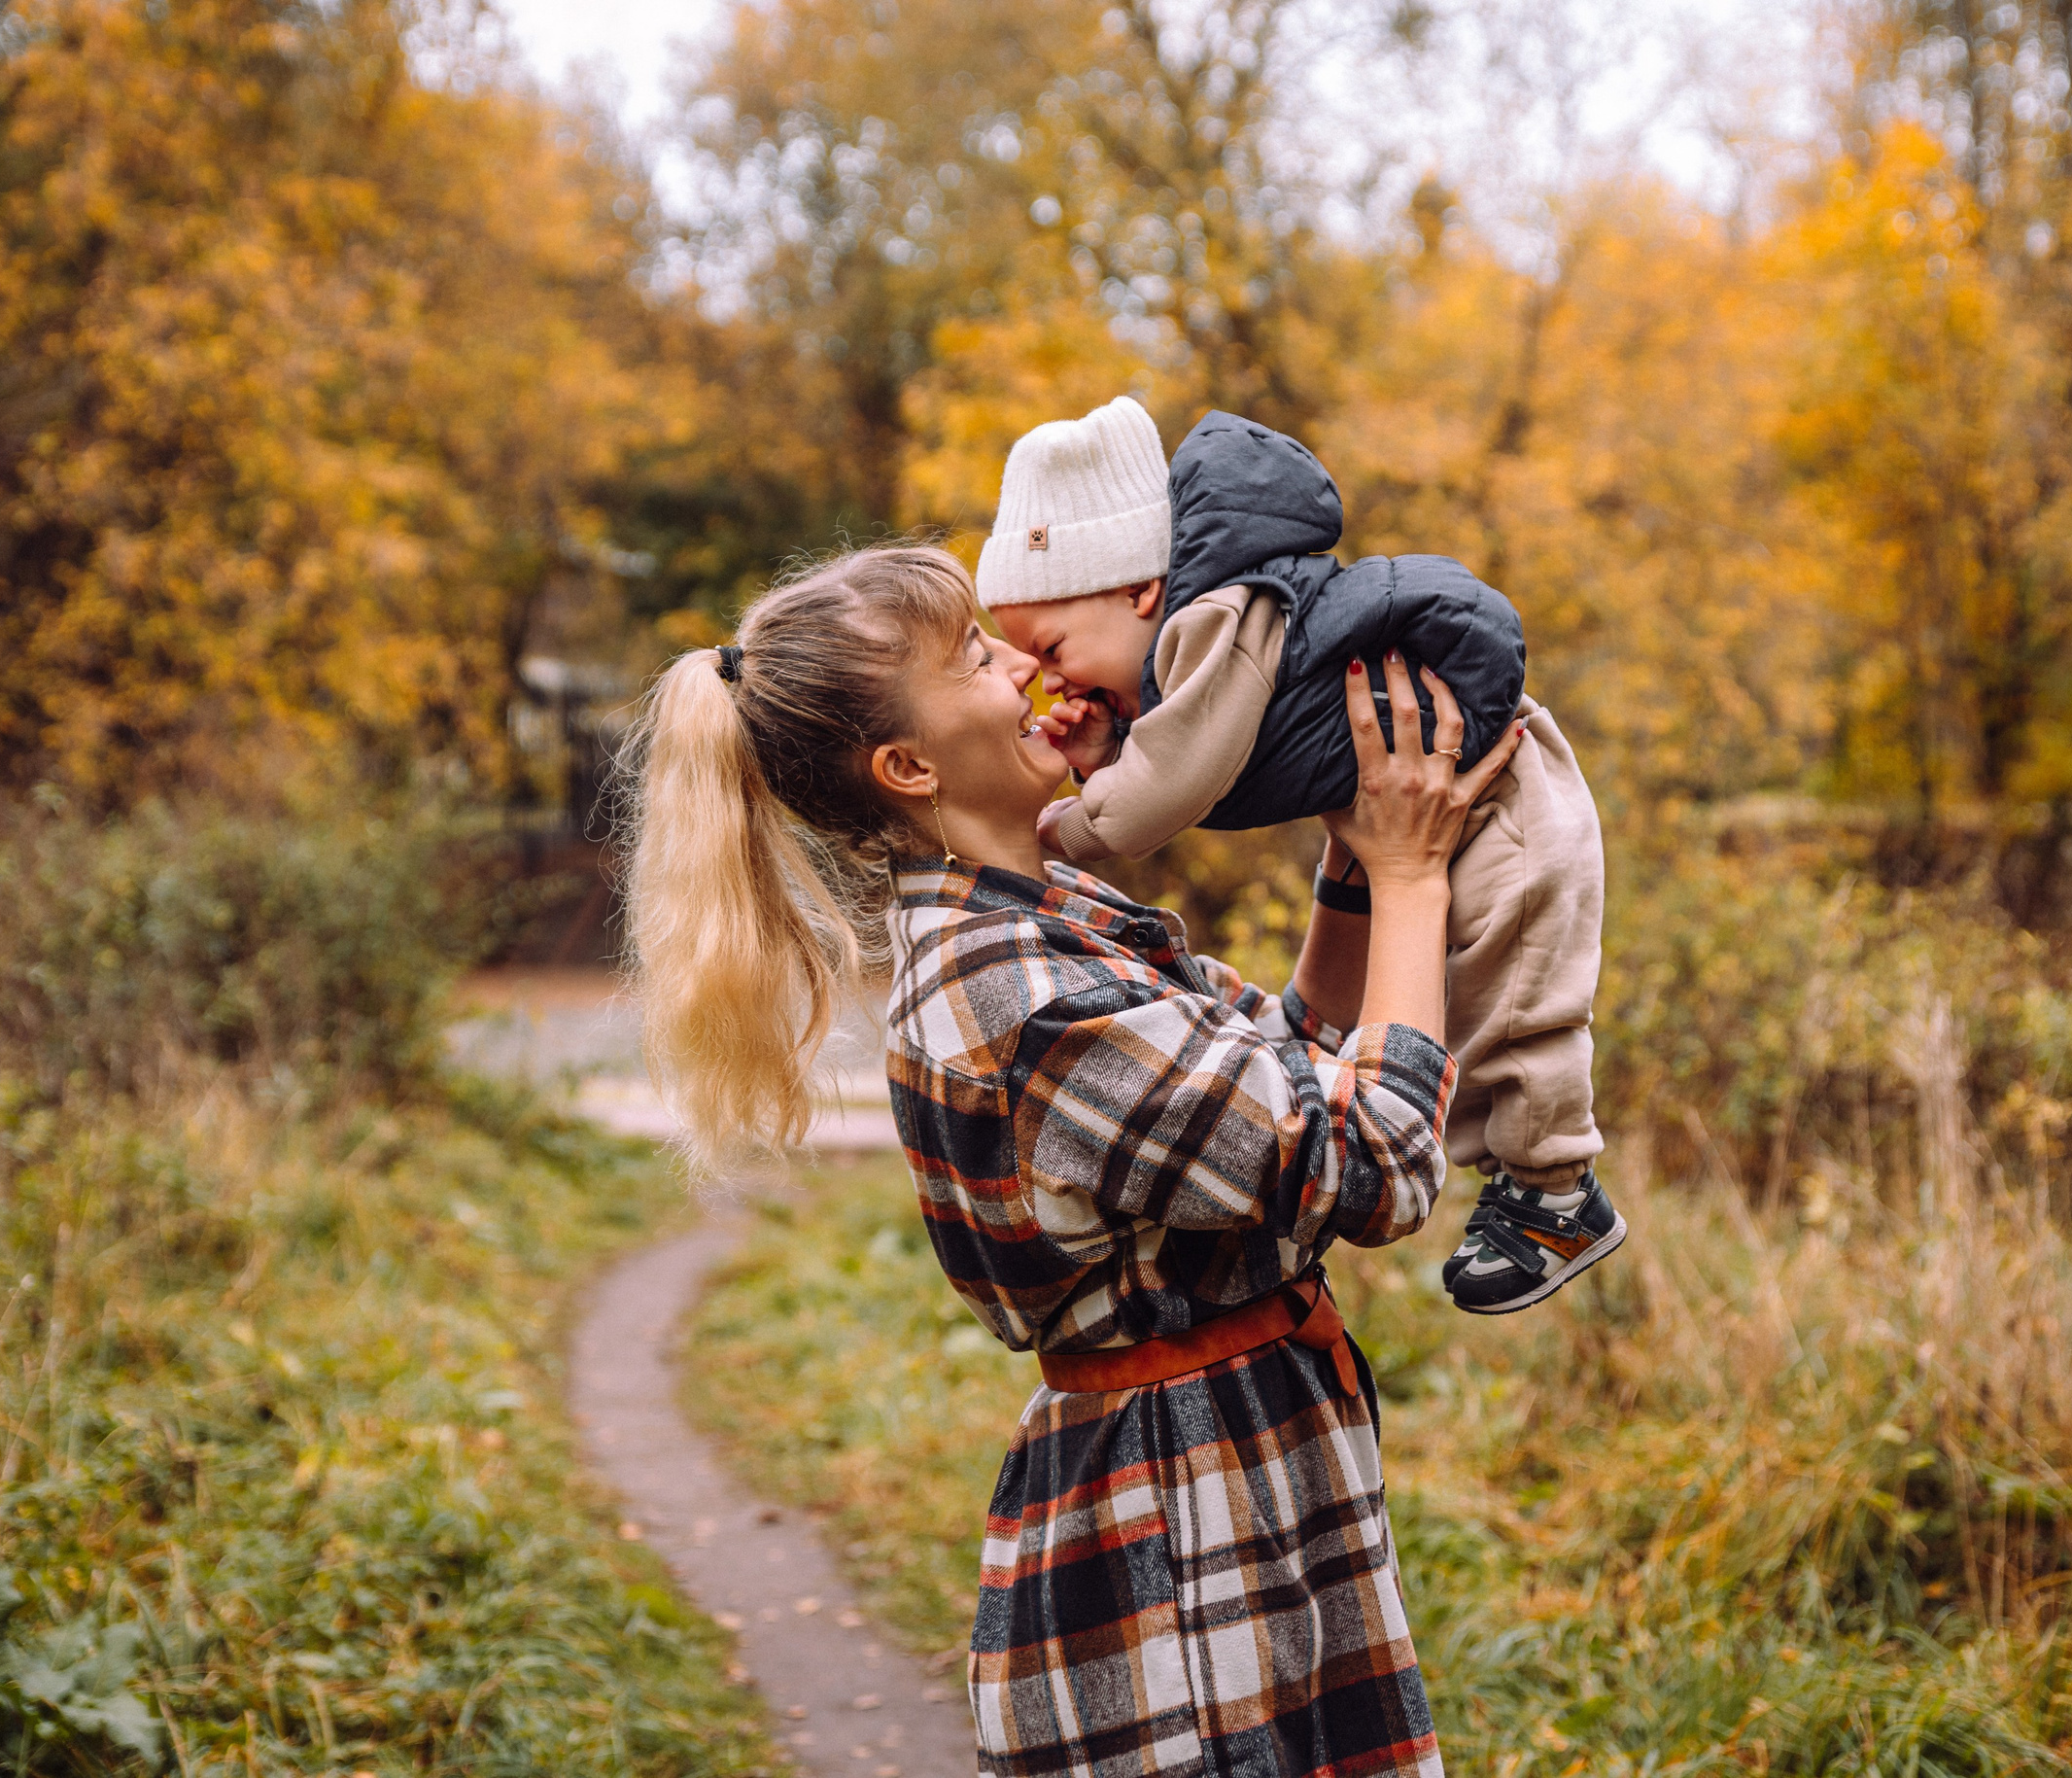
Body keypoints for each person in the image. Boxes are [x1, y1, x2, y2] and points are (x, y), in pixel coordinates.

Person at [618, 542, 1520, 1778]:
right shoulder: (1016, 993)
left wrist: (1353, 859)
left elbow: (1291, 1064)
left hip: (1239, 1471)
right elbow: (1370, 1166)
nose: (1028, 662)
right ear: (910, 765)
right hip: (1177, 1533)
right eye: (978, 657)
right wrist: (1416, 874)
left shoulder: (1053, 914)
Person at [976, 397, 1624, 1314]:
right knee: (1482, 1001)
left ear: (1137, 592)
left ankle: (1556, 1191)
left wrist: (1062, 828)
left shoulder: (1216, 620)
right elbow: (1195, 754)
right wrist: (1105, 760)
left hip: (1504, 790)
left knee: (1519, 1004)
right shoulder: (1194, 641)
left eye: (1053, 648)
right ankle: (1532, 1188)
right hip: (1447, 792)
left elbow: (1174, 784)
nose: (1053, 680)